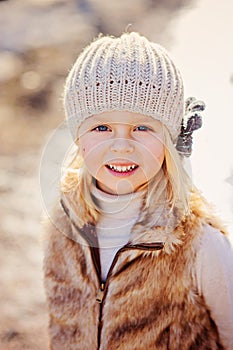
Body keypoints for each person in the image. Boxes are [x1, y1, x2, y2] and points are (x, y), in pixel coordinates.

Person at [43, 32, 233, 349]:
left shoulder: (199, 245)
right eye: (101, 127)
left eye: (142, 128)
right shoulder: (62, 227)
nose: (122, 145)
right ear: (78, 137)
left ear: (170, 140)